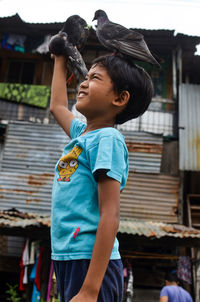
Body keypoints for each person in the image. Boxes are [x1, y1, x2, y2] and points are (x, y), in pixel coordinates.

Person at [50, 53, 153, 302]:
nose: (83, 83)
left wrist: (90, 290)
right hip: (68, 257)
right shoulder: (82, 135)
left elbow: (111, 214)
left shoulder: (107, 139)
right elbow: (57, 107)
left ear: (119, 98)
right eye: (85, 77)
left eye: (94, 78)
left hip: (90, 263)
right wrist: (60, 58)